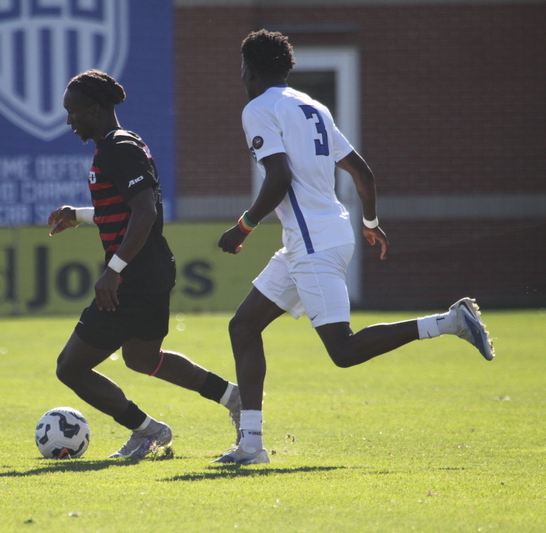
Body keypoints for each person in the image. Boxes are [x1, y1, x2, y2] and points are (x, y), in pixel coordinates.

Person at [214, 30, 495, 465]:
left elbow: (279, 178)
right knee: (243, 326)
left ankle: (450, 322)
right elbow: (362, 172)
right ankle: (251, 444)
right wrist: (371, 223)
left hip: (313, 244)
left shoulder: (259, 108)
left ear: (248, 70)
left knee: (343, 351)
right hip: (316, 238)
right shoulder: (313, 106)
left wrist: (244, 227)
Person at [48, 69, 241, 459]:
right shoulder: (120, 144)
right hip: (149, 271)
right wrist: (79, 215)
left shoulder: (118, 147)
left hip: (134, 277)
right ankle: (233, 397)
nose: (69, 120)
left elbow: (145, 212)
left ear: (95, 109)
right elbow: (123, 208)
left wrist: (114, 270)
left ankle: (147, 431)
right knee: (142, 359)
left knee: (70, 367)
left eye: (73, 112)